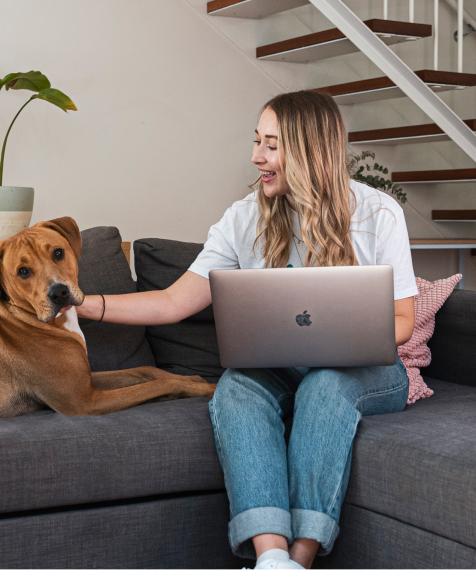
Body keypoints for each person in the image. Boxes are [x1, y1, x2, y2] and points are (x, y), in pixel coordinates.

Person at [77, 90, 417, 569]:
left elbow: (403, 321)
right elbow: (174, 301)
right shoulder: (245, 218)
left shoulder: (378, 212)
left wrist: (340, 346)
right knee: (236, 387)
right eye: (257, 141)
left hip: (368, 370)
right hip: (283, 366)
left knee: (324, 385)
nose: (257, 156)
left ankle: (299, 559)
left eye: (271, 145)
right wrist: (87, 305)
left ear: (308, 150)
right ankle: (271, 556)